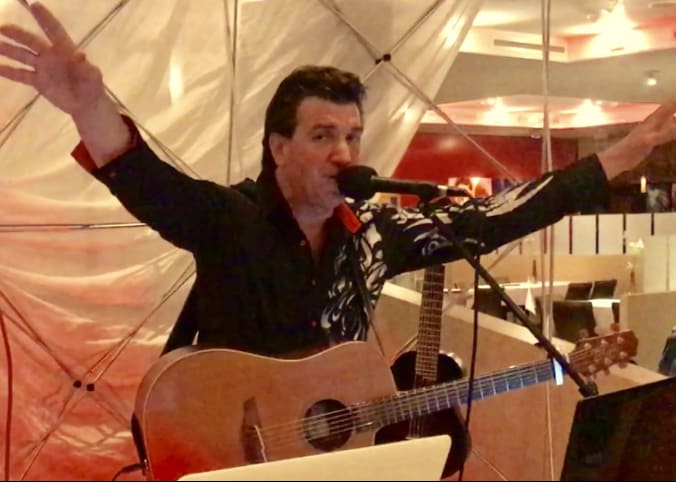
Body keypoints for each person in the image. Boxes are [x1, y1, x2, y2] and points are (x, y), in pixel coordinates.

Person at [1, 2, 676, 356]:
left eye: (352, 136)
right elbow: (145, 180)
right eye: (323, 136)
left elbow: (491, 219)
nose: (343, 152)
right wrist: (88, 105)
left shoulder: (374, 232)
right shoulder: (230, 220)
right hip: (227, 444)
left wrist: (619, 157)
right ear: (279, 147)